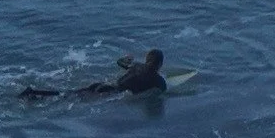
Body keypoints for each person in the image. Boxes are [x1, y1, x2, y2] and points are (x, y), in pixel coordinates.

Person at [22, 48, 168, 101]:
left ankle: (34, 93)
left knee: (67, 94)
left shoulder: (137, 65)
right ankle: (35, 94)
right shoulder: (159, 81)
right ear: (159, 64)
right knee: (67, 97)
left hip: (104, 85)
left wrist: (127, 59)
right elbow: (163, 91)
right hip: (111, 93)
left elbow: (120, 62)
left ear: (147, 59)